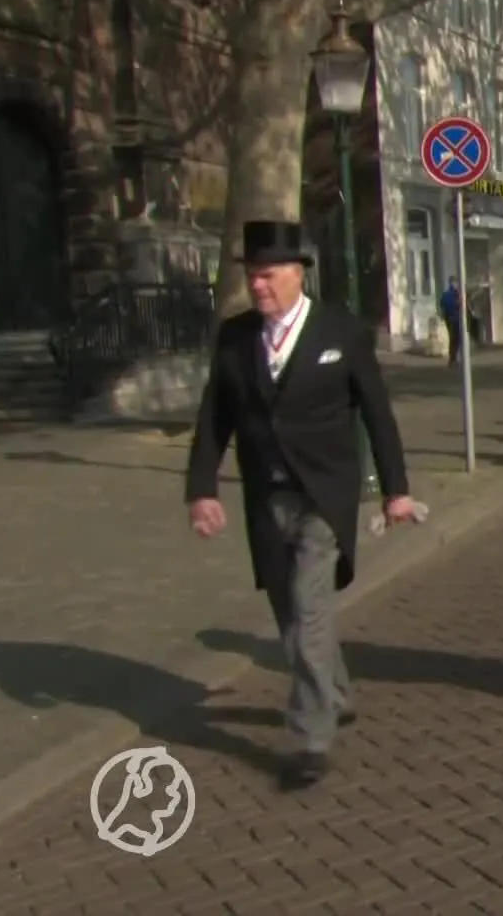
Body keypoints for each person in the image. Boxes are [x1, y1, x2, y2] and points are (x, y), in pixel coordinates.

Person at [184, 220, 416, 788]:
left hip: (325, 496)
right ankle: (335, 692)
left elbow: (378, 415)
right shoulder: (237, 337)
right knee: (289, 616)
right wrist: (201, 489)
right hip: (266, 497)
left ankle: (311, 736)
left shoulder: (341, 331)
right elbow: (216, 416)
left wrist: (396, 489)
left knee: (311, 609)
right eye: (251, 276)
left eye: (267, 276)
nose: (257, 286)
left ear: (296, 274)